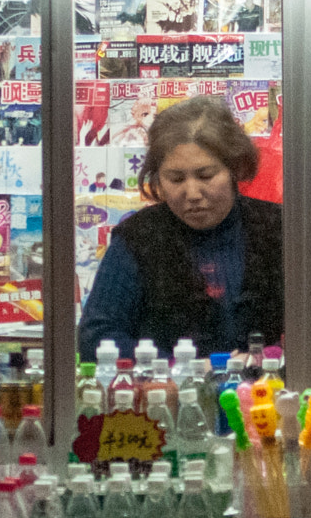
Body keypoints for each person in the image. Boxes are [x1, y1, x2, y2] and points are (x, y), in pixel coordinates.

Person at [78, 97, 283, 361]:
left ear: (235, 169)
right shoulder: (138, 237)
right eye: (175, 179)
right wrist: (179, 370)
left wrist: (264, 357)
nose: (192, 193)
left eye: (206, 176)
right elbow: (95, 337)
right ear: (157, 178)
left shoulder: (278, 228)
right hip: (164, 395)